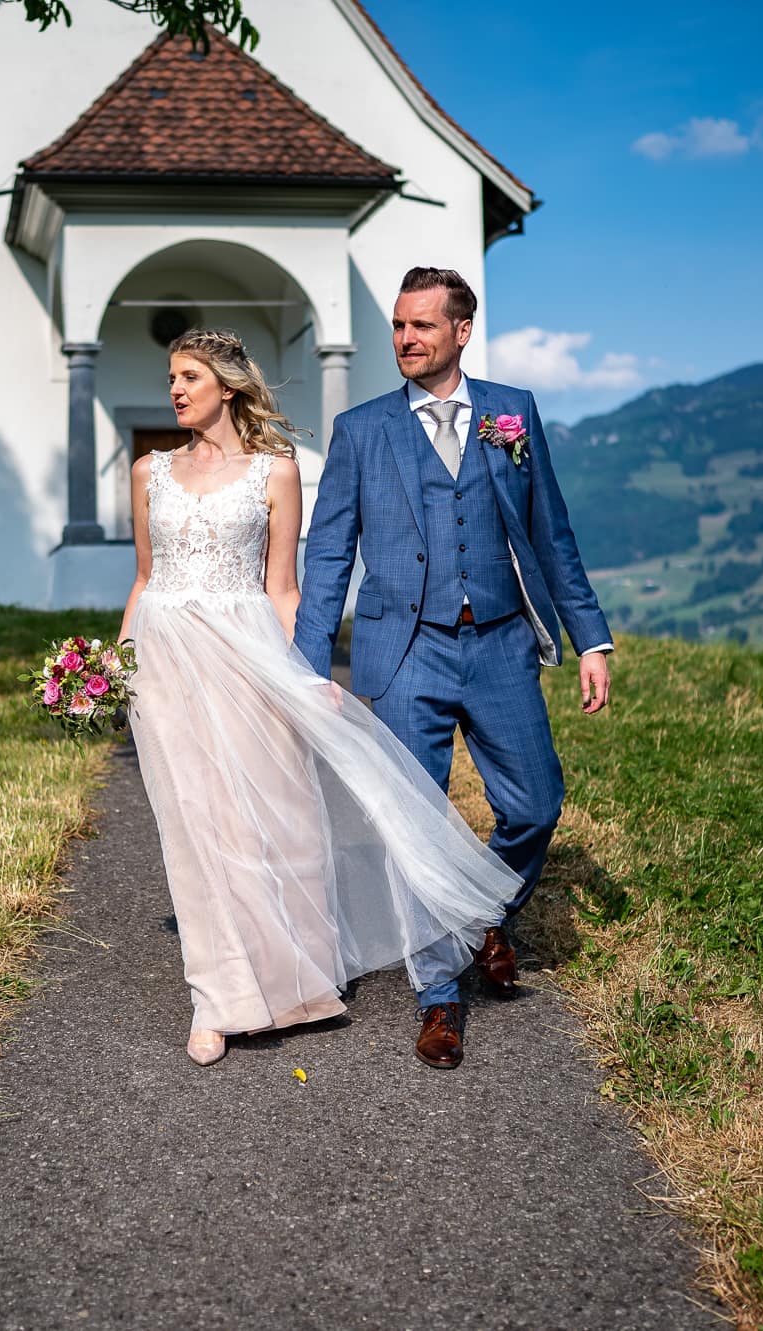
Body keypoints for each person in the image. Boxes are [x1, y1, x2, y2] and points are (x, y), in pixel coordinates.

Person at [119, 328, 525, 1067]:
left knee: (276, 818)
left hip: (247, 657)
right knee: (195, 827)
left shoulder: (275, 471)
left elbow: (283, 588)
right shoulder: (149, 470)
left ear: (229, 386)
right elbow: (146, 578)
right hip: (167, 664)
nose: (175, 389)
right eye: (171, 377)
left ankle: (294, 977)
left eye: (188, 376)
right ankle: (216, 1000)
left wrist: (308, 678)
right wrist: (115, 671)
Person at [294, 266, 614, 1070]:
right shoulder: (361, 429)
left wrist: (592, 639)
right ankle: (440, 997)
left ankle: (481, 916)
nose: (405, 339)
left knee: (537, 803)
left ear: (461, 331)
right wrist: (307, 665)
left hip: (501, 642)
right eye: (400, 326)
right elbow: (328, 551)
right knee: (415, 824)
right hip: (404, 650)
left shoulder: (513, 414)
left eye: (422, 326)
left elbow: (553, 535)